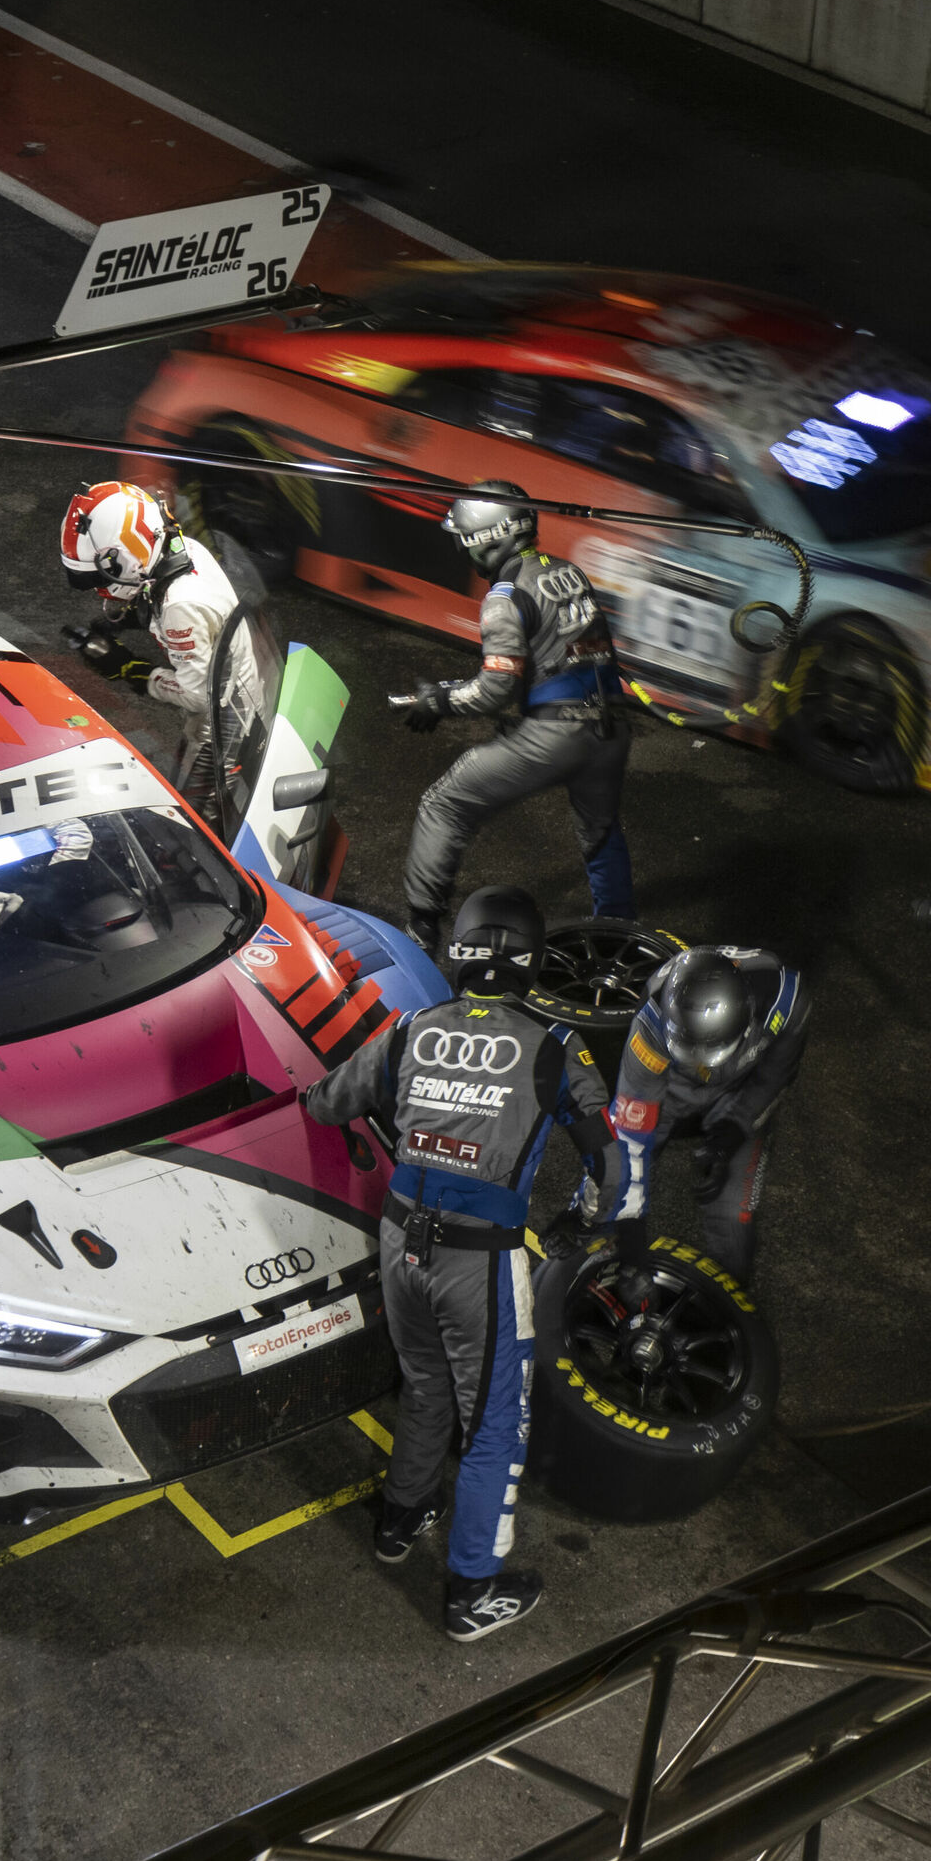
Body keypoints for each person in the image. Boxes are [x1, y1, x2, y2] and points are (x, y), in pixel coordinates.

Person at [301, 884, 613, 1641]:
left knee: (425, 1382)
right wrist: (579, 1219)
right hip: (480, 1259)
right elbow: (612, 1161)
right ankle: (473, 1588)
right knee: (496, 1426)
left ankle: (402, 1516)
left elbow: (324, 1104)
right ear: (533, 964)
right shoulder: (555, 1049)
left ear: (460, 951)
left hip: (401, 1242)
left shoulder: (412, 1028)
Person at [395, 482, 633, 957]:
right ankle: (619, 941)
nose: (463, 547)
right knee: (600, 832)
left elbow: (495, 689)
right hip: (611, 729)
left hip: (554, 736)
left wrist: (438, 702)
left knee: (444, 803)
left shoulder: (503, 597)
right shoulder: (568, 571)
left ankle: (420, 934)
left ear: (490, 537)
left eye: (465, 538)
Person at [594, 944, 808, 1284]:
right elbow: (630, 1137)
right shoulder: (650, 1025)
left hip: (740, 1087)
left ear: (748, 1012)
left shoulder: (786, 999)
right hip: (670, 1086)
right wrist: (629, 1234)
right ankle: (596, 1272)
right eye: (692, 1048)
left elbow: (777, 1074)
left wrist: (737, 1126)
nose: (702, 1062)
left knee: (733, 1217)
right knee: (608, 1184)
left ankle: (730, 1304)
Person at [58, 480, 273, 815]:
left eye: (100, 579)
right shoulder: (180, 548)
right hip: (245, 686)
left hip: (223, 728)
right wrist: (132, 617)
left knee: (194, 825)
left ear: (126, 559)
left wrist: (132, 669)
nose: (100, 590)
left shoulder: (178, 607)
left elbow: (199, 695)